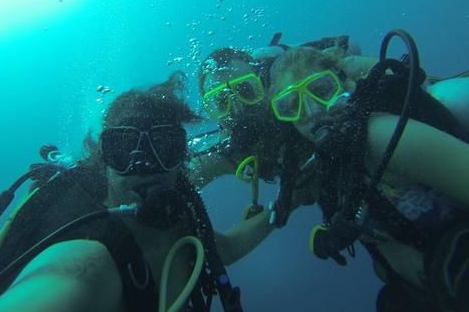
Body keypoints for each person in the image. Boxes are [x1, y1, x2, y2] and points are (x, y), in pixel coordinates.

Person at [0, 71, 277, 312]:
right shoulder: (86, 259)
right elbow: (61, 284)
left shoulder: (181, 217)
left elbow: (226, 248)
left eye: (164, 145)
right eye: (124, 147)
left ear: (181, 157)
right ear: (103, 160)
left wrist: (282, 208)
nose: (145, 165)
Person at [191, 33, 469, 312]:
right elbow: (224, 238)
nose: (237, 109)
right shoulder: (261, 154)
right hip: (413, 282)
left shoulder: (356, 127)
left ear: (267, 86)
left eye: (247, 91)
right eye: (220, 103)